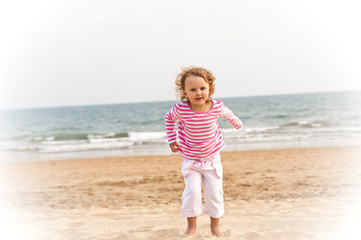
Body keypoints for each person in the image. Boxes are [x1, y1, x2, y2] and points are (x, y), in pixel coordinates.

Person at [165, 66, 243, 236]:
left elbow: (228, 114)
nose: (198, 93)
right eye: (192, 89)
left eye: (202, 88)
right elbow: (169, 119)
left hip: (212, 158)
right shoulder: (181, 110)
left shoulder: (216, 107)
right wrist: (172, 139)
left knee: (214, 193)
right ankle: (191, 227)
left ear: (210, 89)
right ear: (185, 93)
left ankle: (215, 227)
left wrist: (237, 122)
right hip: (190, 159)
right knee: (192, 193)